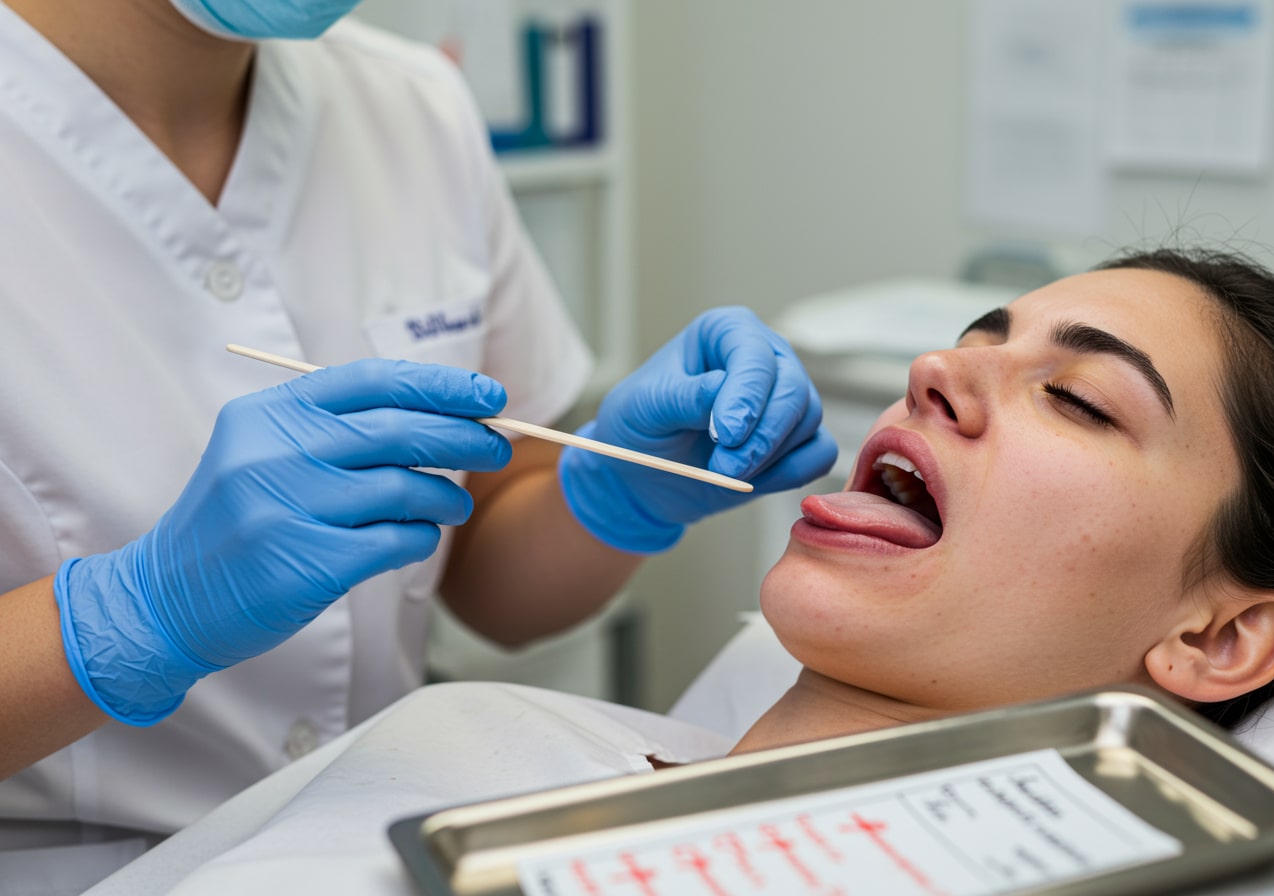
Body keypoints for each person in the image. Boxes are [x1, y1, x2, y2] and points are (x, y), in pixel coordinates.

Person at [83, 244, 1274, 896]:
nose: (933, 371)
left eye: (1075, 397)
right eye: (974, 340)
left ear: (1217, 636)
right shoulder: (477, 736)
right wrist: (132, 616)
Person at [0, 0, 838, 889]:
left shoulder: (412, 103)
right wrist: (132, 619)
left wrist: (610, 494)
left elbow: (485, 575)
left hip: (378, 846)